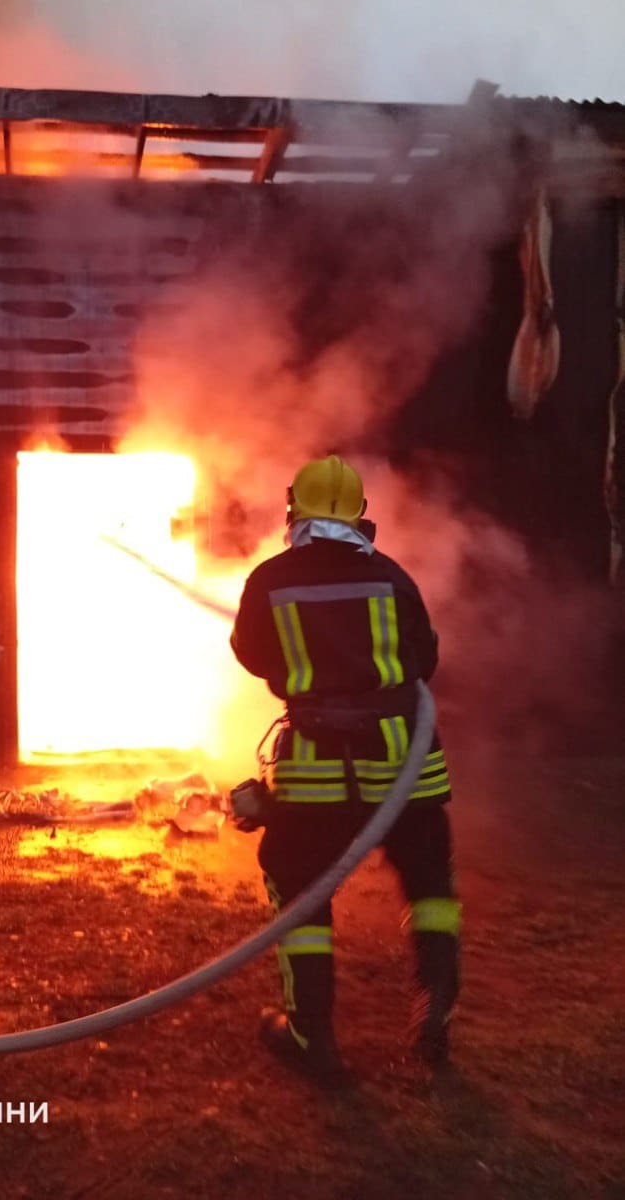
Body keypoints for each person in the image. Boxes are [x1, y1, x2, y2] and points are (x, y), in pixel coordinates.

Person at [230, 455, 461, 1083]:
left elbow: (250, 654)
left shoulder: (270, 581)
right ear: (361, 515)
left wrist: (302, 675)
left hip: (319, 770)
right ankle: (434, 1005)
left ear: (293, 512)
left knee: (298, 884)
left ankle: (311, 1036)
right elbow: (424, 658)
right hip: (406, 763)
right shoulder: (392, 576)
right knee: (430, 885)